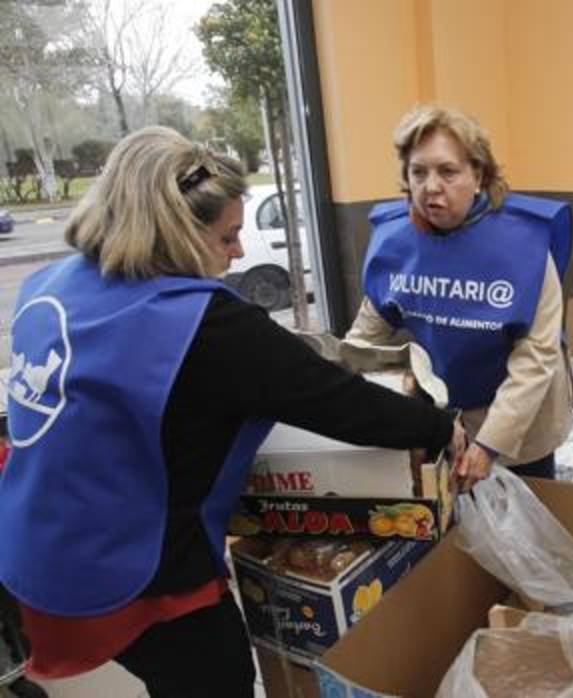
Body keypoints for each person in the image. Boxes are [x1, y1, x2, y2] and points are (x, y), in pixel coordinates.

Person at [0, 126, 466, 697]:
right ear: (176, 234)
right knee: (218, 675)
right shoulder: (202, 324)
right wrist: (441, 428)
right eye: (228, 236)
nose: (239, 252)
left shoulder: (49, 284)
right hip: (130, 571)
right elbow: (339, 403)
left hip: (31, 544)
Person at [347, 105, 573, 490]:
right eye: (418, 172)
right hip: (450, 415)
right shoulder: (397, 243)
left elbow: (535, 357)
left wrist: (489, 445)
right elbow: (364, 336)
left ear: (479, 174)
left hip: (521, 422)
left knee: (524, 530)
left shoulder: (525, 246)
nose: (431, 187)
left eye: (448, 171)